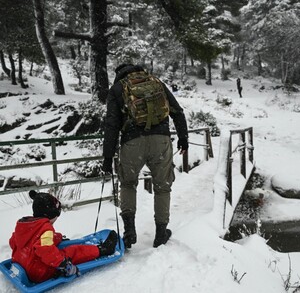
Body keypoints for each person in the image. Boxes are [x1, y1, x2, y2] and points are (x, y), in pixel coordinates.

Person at [102, 63, 188, 249]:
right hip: (161, 141)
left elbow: (111, 125)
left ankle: (130, 231)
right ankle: (160, 233)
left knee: (127, 184)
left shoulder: (117, 89)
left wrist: (107, 157)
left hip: (132, 143)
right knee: (163, 187)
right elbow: (177, 111)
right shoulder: (157, 83)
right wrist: (183, 138)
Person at [9, 190, 117, 283]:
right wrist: (63, 264)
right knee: (73, 251)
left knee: (50, 247)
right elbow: (45, 249)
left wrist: (57, 238)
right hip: (38, 272)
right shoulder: (45, 228)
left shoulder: (24, 224)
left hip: (21, 263)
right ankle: (103, 249)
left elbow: (13, 242)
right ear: (51, 214)